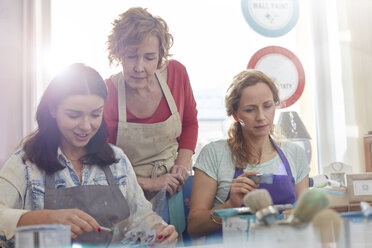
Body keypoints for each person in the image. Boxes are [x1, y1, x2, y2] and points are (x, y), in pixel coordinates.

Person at [0, 63, 178, 247]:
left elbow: (141, 216)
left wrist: (158, 230)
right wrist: (45, 218)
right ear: (53, 110)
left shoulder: (117, 160)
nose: (86, 126)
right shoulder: (26, 164)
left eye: (95, 114)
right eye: (74, 115)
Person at [103, 7, 198, 234]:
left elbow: (189, 123)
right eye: (131, 56)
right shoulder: (108, 93)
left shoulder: (177, 74)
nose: (139, 67)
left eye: (149, 58)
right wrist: (150, 183)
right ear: (118, 54)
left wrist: (183, 165)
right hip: (125, 195)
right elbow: (102, 161)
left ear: (161, 55)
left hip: (174, 189)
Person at [187, 69, 310, 243]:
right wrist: (230, 206)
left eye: (267, 106)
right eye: (250, 110)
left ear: (275, 105)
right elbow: (194, 227)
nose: (261, 117)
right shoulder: (214, 154)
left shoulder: (295, 154)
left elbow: (303, 220)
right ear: (235, 115)